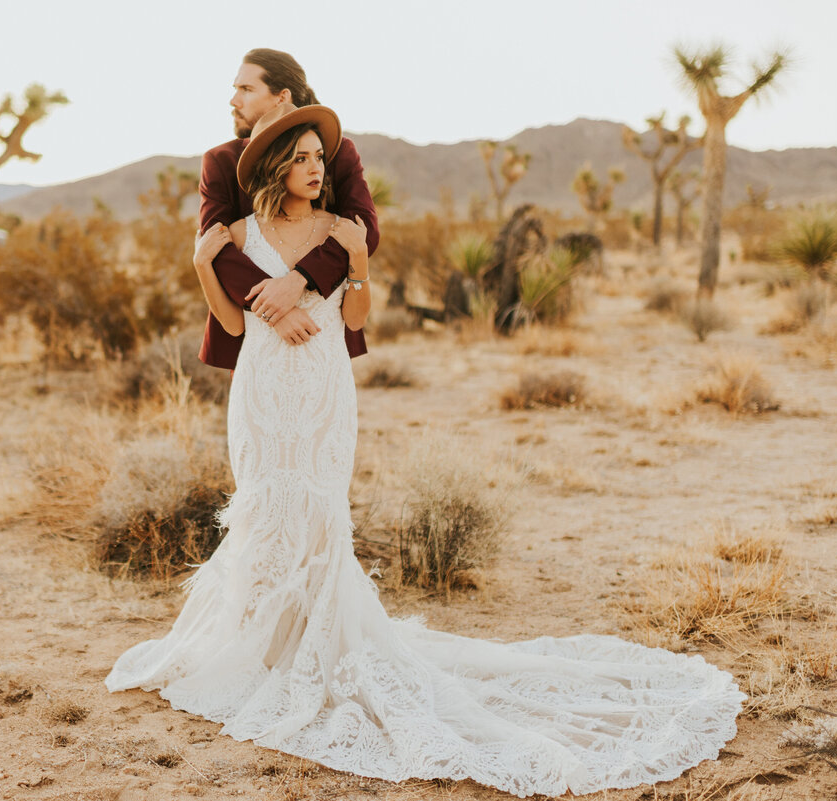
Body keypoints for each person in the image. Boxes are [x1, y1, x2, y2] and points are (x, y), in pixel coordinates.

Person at [103, 101, 747, 797]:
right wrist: (204, 264)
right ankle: (260, 648)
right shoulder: (236, 231)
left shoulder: (339, 229)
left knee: (318, 509)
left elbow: (355, 317)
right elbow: (230, 323)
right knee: (262, 505)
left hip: (322, 387)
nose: (317, 170)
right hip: (259, 393)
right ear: (275, 166)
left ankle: (314, 649)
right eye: (304, 159)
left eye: (322, 159)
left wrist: (355, 262)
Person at [195, 47, 378, 371]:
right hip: (250, 333)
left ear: (282, 97)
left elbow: (364, 232)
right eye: (235, 89)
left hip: (323, 331)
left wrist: (300, 280)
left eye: (246, 89)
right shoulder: (220, 161)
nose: (234, 100)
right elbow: (217, 248)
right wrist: (275, 310)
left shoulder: (339, 152)